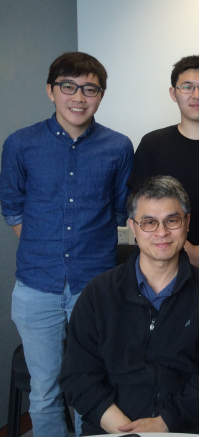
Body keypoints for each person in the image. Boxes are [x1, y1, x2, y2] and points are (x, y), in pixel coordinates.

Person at [0, 52, 133, 437]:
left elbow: (123, 211)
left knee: (92, 387)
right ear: (51, 90)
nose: (79, 97)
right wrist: (47, 249)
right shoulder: (20, 144)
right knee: (44, 391)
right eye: (68, 87)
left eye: (90, 88)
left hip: (95, 286)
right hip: (36, 287)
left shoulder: (118, 146)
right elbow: (13, 208)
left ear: (101, 95)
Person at [60, 176, 199, 435]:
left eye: (171, 221)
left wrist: (165, 422)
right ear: (132, 227)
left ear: (186, 223)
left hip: (184, 426)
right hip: (112, 427)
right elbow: (78, 376)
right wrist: (124, 429)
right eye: (149, 222)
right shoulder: (98, 293)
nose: (161, 232)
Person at [127, 55, 199, 314]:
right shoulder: (152, 144)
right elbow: (140, 205)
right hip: (164, 260)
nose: (197, 94)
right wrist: (188, 250)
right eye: (187, 87)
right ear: (173, 93)